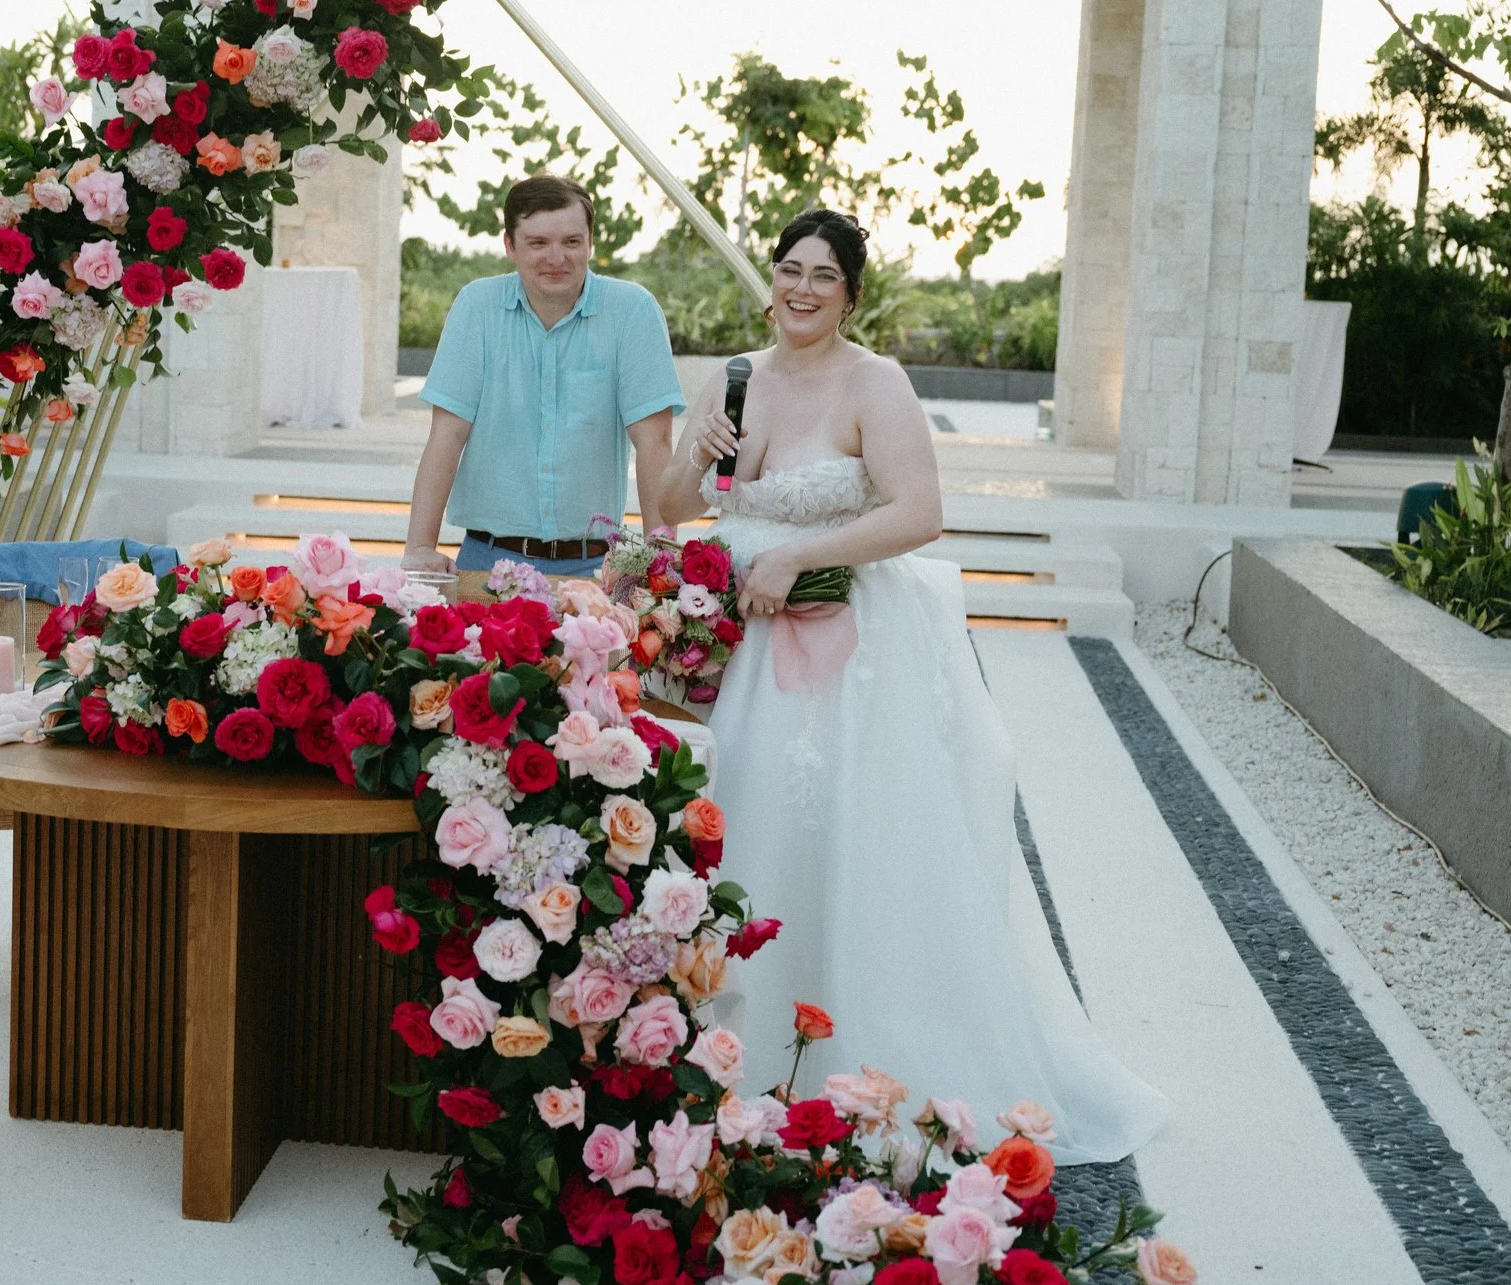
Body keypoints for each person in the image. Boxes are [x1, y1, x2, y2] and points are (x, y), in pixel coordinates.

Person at [656, 207, 1167, 1164]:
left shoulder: (873, 382)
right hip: (744, 649)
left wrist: (801, 552)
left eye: (822, 275)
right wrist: (698, 450)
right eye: (788, 269)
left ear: (851, 293)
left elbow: (920, 511)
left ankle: (861, 1047)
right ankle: (742, 1041)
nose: (800, 288)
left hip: (843, 650)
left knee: (843, 833)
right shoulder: (735, 376)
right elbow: (674, 507)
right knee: (748, 824)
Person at [403, 175, 685, 579]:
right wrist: (419, 547)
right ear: (510, 246)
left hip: (597, 567)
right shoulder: (476, 307)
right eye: (538, 243)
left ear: (591, 243)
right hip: (488, 561)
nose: (557, 257)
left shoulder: (633, 312)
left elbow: (654, 443)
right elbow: (447, 436)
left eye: (571, 242)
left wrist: (659, 561)